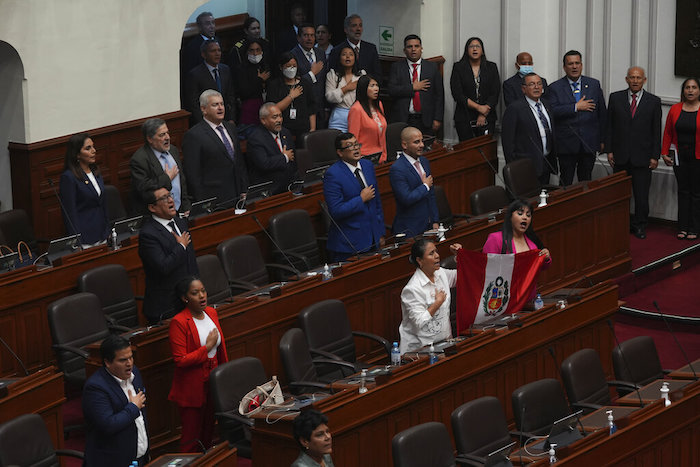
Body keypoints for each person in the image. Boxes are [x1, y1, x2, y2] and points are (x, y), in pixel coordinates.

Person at [168, 275, 228, 453]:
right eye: (195, 293)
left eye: (203, 291)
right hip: (192, 386)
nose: (202, 296)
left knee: (209, 430)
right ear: (185, 298)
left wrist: (224, 375)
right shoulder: (178, 322)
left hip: (213, 380)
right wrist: (206, 347)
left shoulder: (212, 312)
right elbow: (180, 360)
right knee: (191, 436)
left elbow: (220, 348)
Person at [605, 66, 662, 239]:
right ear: (626, 79)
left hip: (643, 158)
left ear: (644, 80)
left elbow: (656, 131)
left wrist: (655, 156)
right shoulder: (615, 98)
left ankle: (640, 225)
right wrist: (609, 151)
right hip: (620, 156)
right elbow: (610, 127)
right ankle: (620, 224)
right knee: (619, 194)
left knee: (641, 196)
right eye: (632, 77)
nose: (635, 81)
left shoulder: (654, 101)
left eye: (638, 78)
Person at [83, 334, 148, 467]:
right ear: (107, 362)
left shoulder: (135, 374)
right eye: (123, 360)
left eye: (131, 357)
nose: (129, 363)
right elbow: (108, 425)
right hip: (113, 461)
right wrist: (133, 408)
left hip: (139, 459)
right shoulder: (96, 388)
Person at [138, 187, 198, 324]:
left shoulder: (180, 222)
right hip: (167, 308)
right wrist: (180, 246)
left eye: (170, 195)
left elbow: (190, 261)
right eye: (164, 198)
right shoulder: (148, 234)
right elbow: (163, 267)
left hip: (188, 301)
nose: (171, 200)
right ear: (152, 207)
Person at [548, 50, 607, 185]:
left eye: (577, 63)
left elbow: (602, 114)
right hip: (566, 144)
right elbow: (552, 111)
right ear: (564, 67)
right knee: (566, 181)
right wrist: (575, 107)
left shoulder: (593, 84)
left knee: (586, 181)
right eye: (570, 64)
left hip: (589, 143)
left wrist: (603, 140)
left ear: (581, 65)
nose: (574, 67)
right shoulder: (555, 88)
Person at [323, 132, 385, 262]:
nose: (356, 148)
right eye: (350, 146)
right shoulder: (333, 174)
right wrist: (361, 199)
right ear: (340, 152)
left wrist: (379, 232)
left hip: (373, 239)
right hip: (349, 244)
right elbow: (336, 211)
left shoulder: (367, 166)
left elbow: (377, 203)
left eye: (357, 144)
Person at [182, 90, 248, 205]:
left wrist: (244, 188)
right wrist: (204, 202)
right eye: (215, 105)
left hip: (238, 194)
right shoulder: (194, 135)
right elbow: (193, 174)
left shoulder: (230, 128)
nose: (220, 108)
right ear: (203, 109)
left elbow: (239, 163)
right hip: (214, 198)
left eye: (222, 104)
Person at [399, 239, 462, 354]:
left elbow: (463, 276)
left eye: (436, 251)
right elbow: (419, 322)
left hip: (444, 342)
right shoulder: (412, 289)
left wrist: (460, 257)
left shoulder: (441, 274)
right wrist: (437, 303)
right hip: (419, 351)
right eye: (431, 253)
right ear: (419, 260)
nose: (437, 256)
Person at [482, 199, 551, 300]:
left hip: (527, 299)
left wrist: (546, 258)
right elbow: (486, 267)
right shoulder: (496, 239)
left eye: (528, 215)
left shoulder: (532, 244)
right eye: (520, 213)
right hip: (502, 299)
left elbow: (540, 267)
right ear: (510, 217)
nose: (525, 217)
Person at [661, 77, 700, 240]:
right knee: (683, 191)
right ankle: (683, 227)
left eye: (694, 87)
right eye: (687, 88)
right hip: (679, 157)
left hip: (698, 157)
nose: (690, 90)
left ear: (699, 91)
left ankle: (694, 228)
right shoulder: (675, 109)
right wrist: (664, 153)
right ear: (683, 91)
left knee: (696, 193)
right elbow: (668, 132)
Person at [501, 73, 557, 185]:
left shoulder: (546, 104)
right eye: (531, 84)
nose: (536, 87)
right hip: (525, 167)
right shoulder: (515, 108)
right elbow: (508, 143)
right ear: (523, 89)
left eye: (539, 84)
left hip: (546, 163)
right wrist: (514, 168)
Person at [130, 118, 191, 215]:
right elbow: (143, 187)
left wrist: (186, 206)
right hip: (157, 215)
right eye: (162, 135)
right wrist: (167, 178)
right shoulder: (140, 160)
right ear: (150, 139)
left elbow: (182, 182)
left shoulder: (173, 151)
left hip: (181, 212)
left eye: (167, 133)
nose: (167, 137)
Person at [388, 34, 444, 136]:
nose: (413, 49)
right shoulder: (396, 67)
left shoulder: (432, 67)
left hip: (426, 120)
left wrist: (437, 118)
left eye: (416, 46)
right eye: (410, 47)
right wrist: (412, 87)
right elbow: (392, 90)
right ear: (405, 50)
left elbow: (439, 95)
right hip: (403, 119)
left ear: (421, 49)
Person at [59, 132, 109, 247]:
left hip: (102, 233)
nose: (94, 151)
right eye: (88, 148)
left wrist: (107, 229)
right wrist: (77, 241)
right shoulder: (69, 177)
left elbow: (102, 204)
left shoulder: (96, 172)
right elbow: (70, 213)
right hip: (85, 238)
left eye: (93, 147)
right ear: (77, 154)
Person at [389, 127, 439, 237]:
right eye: (416, 142)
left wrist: (435, 220)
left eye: (422, 141)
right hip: (410, 229)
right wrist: (425, 186)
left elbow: (431, 195)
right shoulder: (397, 169)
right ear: (404, 145)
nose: (421, 145)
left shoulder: (424, 162)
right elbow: (406, 198)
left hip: (429, 226)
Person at [450, 37, 501, 140]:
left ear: (482, 50)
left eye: (477, 46)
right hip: (464, 116)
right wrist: (479, 108)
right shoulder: (458, 67)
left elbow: (495, 92)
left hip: (487, 116)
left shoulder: (491, 67)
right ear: (466, 50)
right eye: (471, 46)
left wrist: (483, 113)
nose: (474, 49)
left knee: (486, 151)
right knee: (467, 152)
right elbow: (457, 94)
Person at [246, 102, 298, 195]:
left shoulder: (285, 133)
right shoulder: (255, 138)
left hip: (289, 187)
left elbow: (293, 162)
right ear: (263, 120)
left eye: (280, 116)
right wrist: (284, 157)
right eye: (274, 117)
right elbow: (264, 163)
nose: (279, 120)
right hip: (269, 190)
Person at [266, 52, 316, 142]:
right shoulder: (274, 85)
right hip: (283, 129)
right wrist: (291, 97)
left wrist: (312, 129)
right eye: (288, 66)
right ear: (281, 67)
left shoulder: (304, 84)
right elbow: (273, 109)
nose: (292, 68)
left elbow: (311, 108)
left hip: (303, 128)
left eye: (294, 66)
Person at [185, 40, 237, 124]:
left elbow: (230, 96)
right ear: (203, 54)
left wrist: (232, 119)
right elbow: (193, 104)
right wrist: (203, 124)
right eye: (213, 51)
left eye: (219, 50)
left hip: (226, 119)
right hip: (207, 120)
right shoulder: (195, 74)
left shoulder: (225, 69)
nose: (217, 53)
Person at [291, 23, 327, 129]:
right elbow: (294, 82)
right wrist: (312, 74)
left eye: (312, 35)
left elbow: (323, 81)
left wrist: (326, 107)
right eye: (306, 35)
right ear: (298, 37)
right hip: (303, 107)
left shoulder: (320, 53)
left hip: (320, 107)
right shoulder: (292, 55)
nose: (309, 38)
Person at [348, 75, 387, 163]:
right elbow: (353, 139)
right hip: (365, 157)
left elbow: (383, 134)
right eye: (372, 86)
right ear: (363, 88)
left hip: (381, 156)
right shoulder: (356, 109)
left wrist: (384, 154)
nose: (376, 89)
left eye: (377, 85)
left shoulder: (379, 105)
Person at [325, 45, 365, 132]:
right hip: (338, 116)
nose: (347, 57)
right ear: (339, 58)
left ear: (355, 58)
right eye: (344, 54)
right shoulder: (332, 75)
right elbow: (329, 97)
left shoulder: (361, 75)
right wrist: (346, 88)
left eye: (351, 54)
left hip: (358, 114)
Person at [328, 14, 381, 79]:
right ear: (346, 30)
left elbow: (378, 76)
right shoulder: (336, 51)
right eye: (354, 26)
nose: (358, 29)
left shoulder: (371, 49)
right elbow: (332, 75)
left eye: (360, 26)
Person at [234, 39, 272, 129]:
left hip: (267, 107)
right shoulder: (241, 69)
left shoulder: (266, 66)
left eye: (258, 50)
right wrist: (259, 80)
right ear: (247, 52)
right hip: (250, 109)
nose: (255, 53)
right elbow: (244, 92)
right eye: (251, 50)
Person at [181, 12, 217, 84]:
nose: (212, 26)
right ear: (200, 27)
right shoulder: (192, 47)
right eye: (207, 24)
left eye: (213, 22)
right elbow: (190, 75)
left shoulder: (217, 41)